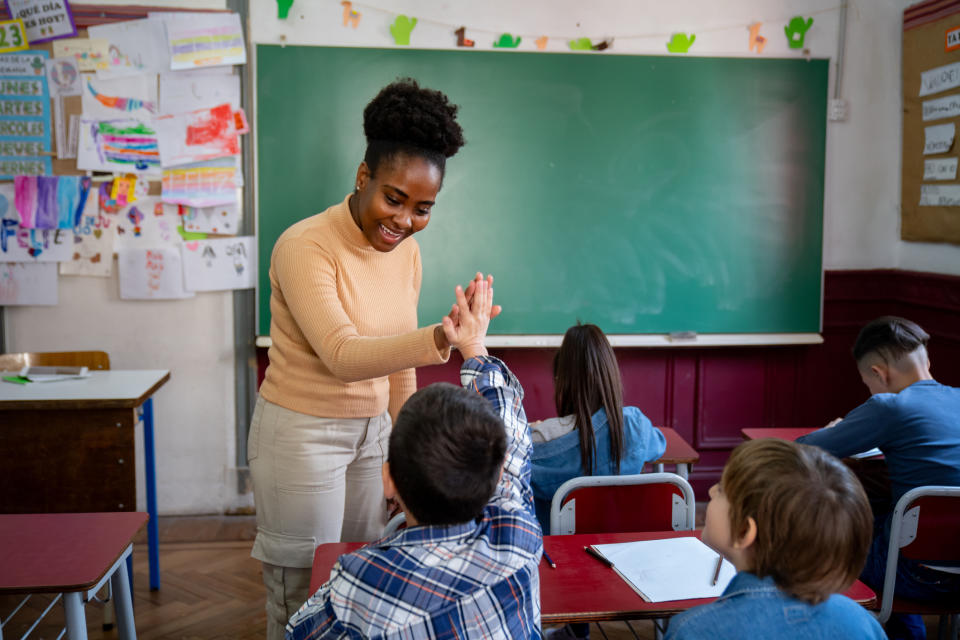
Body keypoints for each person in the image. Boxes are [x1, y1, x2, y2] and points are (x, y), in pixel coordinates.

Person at [249, 78, 480, 640]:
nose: (404, 221)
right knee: (302, 591)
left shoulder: (408, 254)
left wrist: (402, 456)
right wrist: (443, 338)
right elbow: (343, 355)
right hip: (302, 433)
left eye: (423, 209)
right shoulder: (304, 245)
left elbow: (399, 366)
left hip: (373, 433)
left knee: (362, 576)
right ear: (362, 177)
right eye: (394, 199)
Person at [285, 277, 543, 640]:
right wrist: (473, 344)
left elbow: (299, 631)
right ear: (498, 471)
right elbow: (511, 430)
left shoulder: (361, 580)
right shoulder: (517, 534)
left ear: (387, 478)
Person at [797, 316, 960, 640]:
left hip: (916, 574)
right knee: (890, 517)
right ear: (927, 360)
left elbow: (804, 449)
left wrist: (833, 431)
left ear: (878, 373)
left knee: (828, 537)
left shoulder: (890, 407)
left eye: (867, 384)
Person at [665, 438, 886, 639]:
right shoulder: (862, 623)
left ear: (744, 531)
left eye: (722, 490)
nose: (711, 492)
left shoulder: (692, 630)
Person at [530, 323, 666, 533]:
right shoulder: (633, 424)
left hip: (559, 552)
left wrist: (533, 430)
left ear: (561, 379)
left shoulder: (539, 437)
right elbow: (659, 445)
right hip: (620, 545)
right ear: (610, 373)